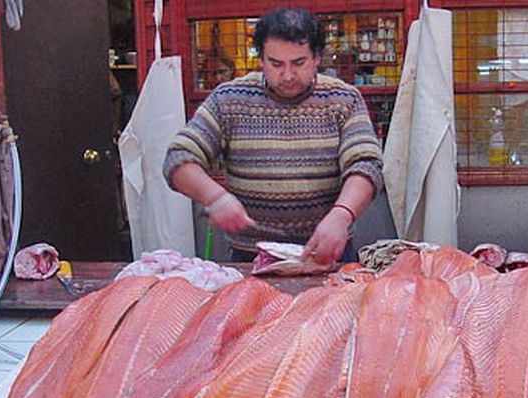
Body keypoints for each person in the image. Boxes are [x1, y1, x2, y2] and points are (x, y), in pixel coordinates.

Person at [163, 8, 383, 264]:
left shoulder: (343, 99)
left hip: (328, 251)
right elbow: (178, 158)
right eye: (276, 64)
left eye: (299, 63)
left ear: (317, 58)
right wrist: (215, 197)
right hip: (251, 255)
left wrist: (342, 215)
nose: (288, 75)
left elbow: (366, 165)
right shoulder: (229, 99)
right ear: (261, 60)